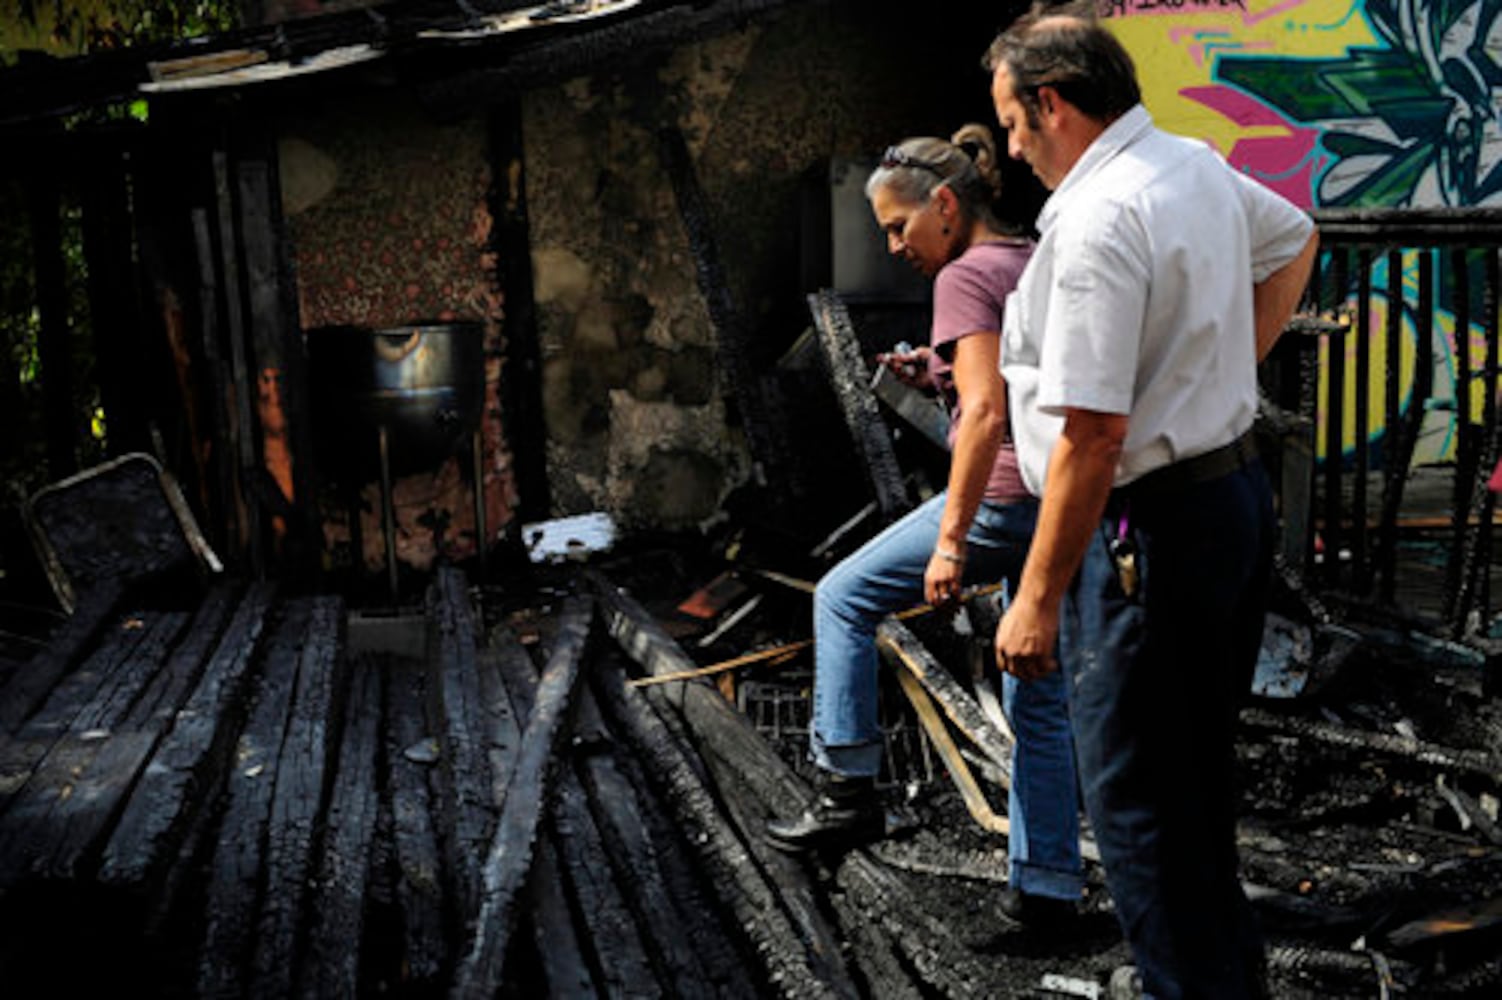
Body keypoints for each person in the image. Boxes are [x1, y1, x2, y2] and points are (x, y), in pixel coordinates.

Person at [985, 8, 1319, 997]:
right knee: (1193, 777)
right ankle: (1222, 978)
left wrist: (1036, 595)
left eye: (1008, 120)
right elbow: (1293, 237)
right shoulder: (1187, 165)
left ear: (1050, 104)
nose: (1006, 145)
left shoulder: (1097, 216)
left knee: (1134, 803)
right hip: (1221, 494)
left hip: (1144, 532)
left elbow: (1090, 435)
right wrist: (1211, 376)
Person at [765, 124, 1083, 925]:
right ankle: (1044, 889)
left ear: (945, 204)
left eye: (900, 227)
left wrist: (951, 541)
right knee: (1035, 693)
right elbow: (1015, 371)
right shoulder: (1031, 256)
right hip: (1059, 499)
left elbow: (984, 413)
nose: (895, 246)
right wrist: (934, 367)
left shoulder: (965, 277)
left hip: (1004, 500)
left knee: (841, 596)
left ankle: (846, 788)